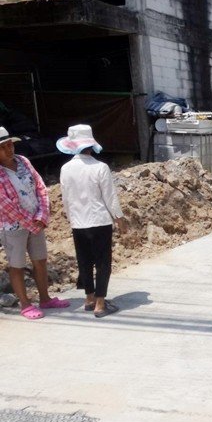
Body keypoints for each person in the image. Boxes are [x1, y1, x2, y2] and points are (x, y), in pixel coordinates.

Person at [0, 127, 69, 319]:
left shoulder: (23, 161)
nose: (9, 150)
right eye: (3, 147)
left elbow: (40, 187)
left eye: (10, 145)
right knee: (17, 264)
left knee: (40, 260)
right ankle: (25, 303)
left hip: (35, 221)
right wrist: (32, 223)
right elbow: (5, 205)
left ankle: (45, 298)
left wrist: (42, 215)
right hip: (13, 226)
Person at [58, 124, 126, 318]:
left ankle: (89, 298)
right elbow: (110, 197)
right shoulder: (100, 167)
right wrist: (119, 218)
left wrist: (71, 219)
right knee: (103, 263)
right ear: (91, 144)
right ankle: (100, 304)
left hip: (78, 223)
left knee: (84, 261)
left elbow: (66, 198)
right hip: (99, 221)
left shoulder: (65, 169)